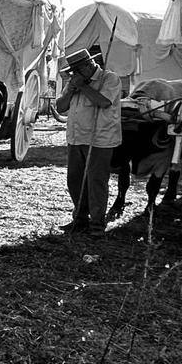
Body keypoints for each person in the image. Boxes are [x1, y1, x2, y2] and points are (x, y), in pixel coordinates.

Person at [54, 47, 123, 234]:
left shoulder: (109, 79)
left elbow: (104, 102)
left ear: (89, 64)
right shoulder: (75, 81)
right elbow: (60, 107)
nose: (75, 74)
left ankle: (97, 223)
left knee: (96, 181)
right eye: (73, 71)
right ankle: (80, 218)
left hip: (99, 139)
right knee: (74, 180)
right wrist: (71, 90)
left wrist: (84, 87)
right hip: (76, 138)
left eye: (78, 70)